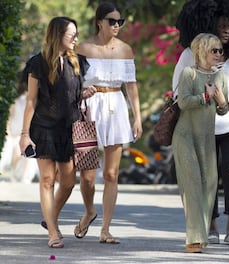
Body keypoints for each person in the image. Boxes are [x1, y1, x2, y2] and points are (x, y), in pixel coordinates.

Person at [172, 0, 229, 246]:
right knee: (208, 177)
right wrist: (203, 94)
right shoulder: (188, 57)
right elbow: (177, 93)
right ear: (207, 24)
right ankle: (211, 225)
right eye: (222, 25)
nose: (227, 29)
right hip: (200, 128)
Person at [19, 16, 90, 248]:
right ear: (58, 35)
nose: (76, 38)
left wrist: (84, 94)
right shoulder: (37, 63)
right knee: (47, 180)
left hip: (68, 129)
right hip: (43, 127)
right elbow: (31, 101)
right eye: (72, 35)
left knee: (68, 182)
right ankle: (53, 232)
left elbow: (71, 95)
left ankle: (51, 219)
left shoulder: (77, 62)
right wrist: (24, 134)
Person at [76, 2, 143, 244]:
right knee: (88, 176)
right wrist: (79, 95)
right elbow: (72, 80)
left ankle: (105, 229)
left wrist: (137, 117)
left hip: (116, 106)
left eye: (120, 22)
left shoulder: (125, 50)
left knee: (112, 174)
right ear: (99, 22)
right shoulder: (83, 48)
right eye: (112, 21)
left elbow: (132, 85)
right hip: (89, 107)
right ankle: (89, 212)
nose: (116, 25)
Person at [172, 33, 228, 253]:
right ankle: (194, 238)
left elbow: (223, 110)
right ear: (202, 51)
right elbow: (184, 102)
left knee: (210, 185)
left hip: (207, 139)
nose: (218, 54)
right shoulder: (189, 74)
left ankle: (201, 234)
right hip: (185, 137)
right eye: (214, 50)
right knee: (193, 185)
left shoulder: (221, 77)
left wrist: (220, 100)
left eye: (220, 51)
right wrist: (205, 97)